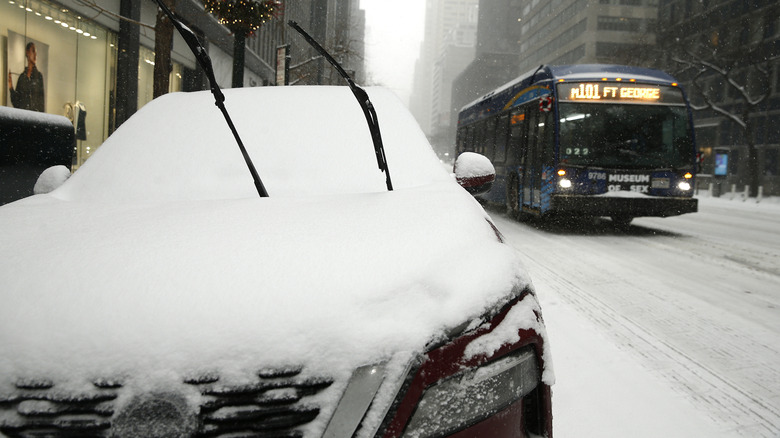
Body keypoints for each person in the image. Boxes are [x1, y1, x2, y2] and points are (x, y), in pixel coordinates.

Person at [8, 42, 45, 112]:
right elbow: (17, 103)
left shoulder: (39, 76)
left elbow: (41, 103)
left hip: (35, 119)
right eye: (33, 51)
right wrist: (11, 88)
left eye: (36, 52)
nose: (35, 55)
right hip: (23, 118)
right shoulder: (22, 77)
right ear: (27, 52)